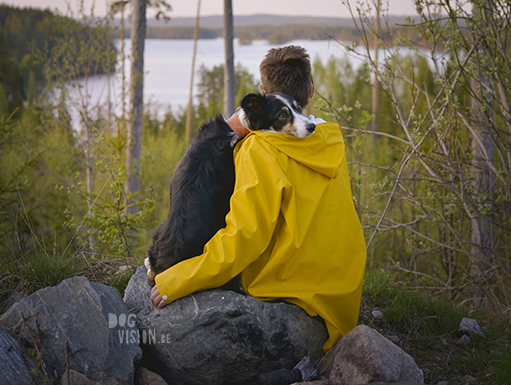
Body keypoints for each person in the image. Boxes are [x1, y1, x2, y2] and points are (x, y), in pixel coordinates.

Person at [150, 45, 366, 351]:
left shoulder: (261, 150)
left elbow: (245, 238)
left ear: (263, 92)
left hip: (293, 294)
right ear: (311, 91)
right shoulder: (330, 139)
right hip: (343, 298)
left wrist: (177, 280)